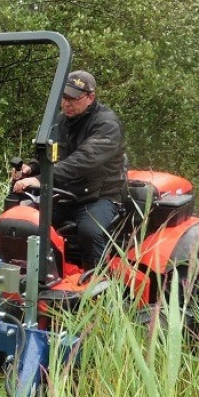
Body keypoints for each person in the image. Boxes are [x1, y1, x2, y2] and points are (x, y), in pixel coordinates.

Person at [12, 70, 126, 270]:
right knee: (23, 220)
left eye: (73, 99)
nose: (66, 104)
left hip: (98, 196)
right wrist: (31, 168)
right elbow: (51, 157)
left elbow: (83, 160)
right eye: (64, 98)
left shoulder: (107, 125)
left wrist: (42, 179)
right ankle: (27, 272)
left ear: (90, 97)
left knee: (90, 232)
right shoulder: (60, 121)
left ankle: (97, 282)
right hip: (65, 194)